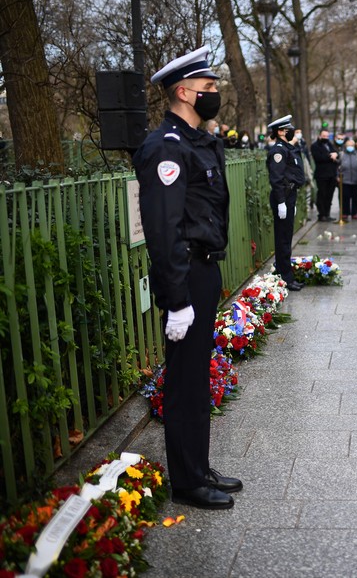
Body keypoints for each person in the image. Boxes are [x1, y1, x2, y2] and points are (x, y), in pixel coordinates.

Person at [132, 46, 242, 509]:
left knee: (198, 377)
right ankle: (187, 481)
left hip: (204, 269)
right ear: (183, 91)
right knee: (184, 381)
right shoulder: (165, 149)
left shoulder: (198, 141)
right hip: (186, 275)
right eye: (208, 88)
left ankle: (198, 465)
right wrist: (177, 300)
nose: (214, 94)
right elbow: (163, 231)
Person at [266, 115, 306, 292]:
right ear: (280, 131)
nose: (291, 131)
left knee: (286, 238)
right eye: (288, 129)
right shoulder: (278, 151)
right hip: (283, 197)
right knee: (283, 239)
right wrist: (282, 202)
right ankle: (285, 278)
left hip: (289, 196)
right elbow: (277, 179)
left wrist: (291, 201)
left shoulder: (287, 149)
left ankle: (285, 273)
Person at [311, 130, 339, 221]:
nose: (326, 138)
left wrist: (335, 155)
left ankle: (327, 213)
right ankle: (321, 214)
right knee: (322, 194)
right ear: (320, 136)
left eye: (327, 136)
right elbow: (319, 158)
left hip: (332, 174)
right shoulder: (315, 146)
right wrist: (331, 156)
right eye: (324, 136)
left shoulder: (330, 145)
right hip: (322, 175)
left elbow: (336, 155)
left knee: (329, 195)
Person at [339, 138, 357, 220]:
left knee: (355, 197)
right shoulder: (342, 154)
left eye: (351, 145)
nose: (350, 147)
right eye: (348, 145)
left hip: (356, 179)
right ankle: (345, 212)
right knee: (345, 197)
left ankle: (354, 212)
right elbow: (337, 166)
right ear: (345, 146)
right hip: (345, 179)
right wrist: (338, 175)